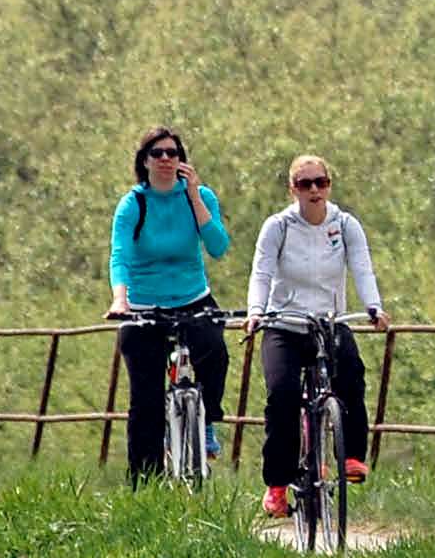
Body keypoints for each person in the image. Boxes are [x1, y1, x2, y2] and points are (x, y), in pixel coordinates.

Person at [246, 154, 388, 517]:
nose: (314, 190)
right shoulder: (278, 227)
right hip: (284, 323)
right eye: (305, 184)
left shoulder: (345, 225)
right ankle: (277, 485)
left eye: (320, 183)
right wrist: (256, 312)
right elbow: (261, 272)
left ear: (329, 185)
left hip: (329, 320)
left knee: (352, 376)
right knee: (282, 396)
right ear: (293, 189)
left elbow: (362, 268)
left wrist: (374, 307)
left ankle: (352, 456)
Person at [108, 125, 233, 485]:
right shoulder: (134, 204)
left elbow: (218, 246)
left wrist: (194, 196)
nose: (165, 159)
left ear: (182, 161)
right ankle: (145, 488)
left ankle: (206, 422)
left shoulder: (201, 196)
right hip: (144, 305)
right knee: (145, 403)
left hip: (191, 298)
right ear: (144, 161)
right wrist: (121, 300)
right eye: (157, 153)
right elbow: (120, 256)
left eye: (172, 153)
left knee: (214, 351)